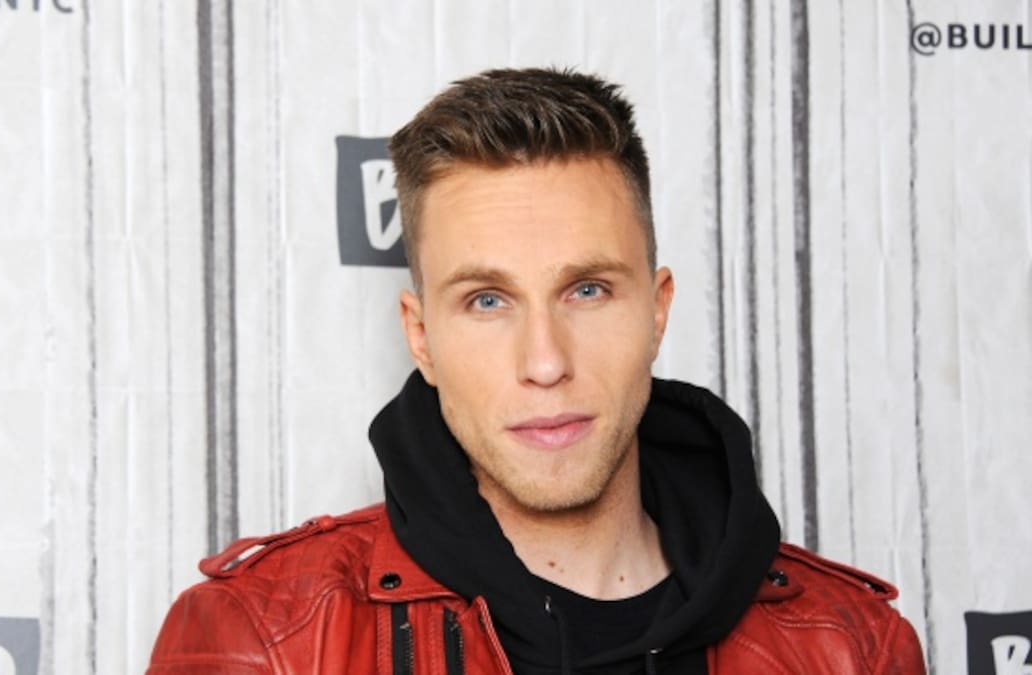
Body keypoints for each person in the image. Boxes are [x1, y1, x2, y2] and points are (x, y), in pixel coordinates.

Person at [146, 67, 925, 674]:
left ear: (657, 310)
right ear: (421, 337)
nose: (546, 362)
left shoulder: (854, 646)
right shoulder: (262, 642)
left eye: (587, 290)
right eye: (487, 300)